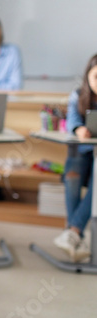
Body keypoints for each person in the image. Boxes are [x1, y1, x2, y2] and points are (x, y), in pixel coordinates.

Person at [54, 54, 97, 262]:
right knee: (72, 175)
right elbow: (72, 120)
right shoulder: (77, 95)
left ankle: (72, 233)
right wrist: (79, 128)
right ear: (88, 76)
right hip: (81, 152)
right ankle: (74, 234)